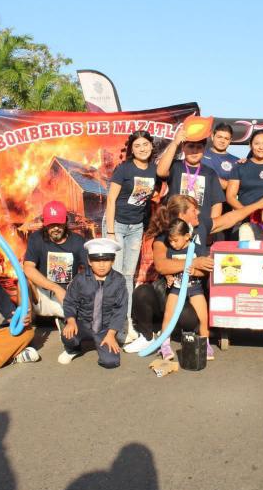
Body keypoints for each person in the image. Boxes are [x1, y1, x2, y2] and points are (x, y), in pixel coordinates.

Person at [124, 193, 263, 353]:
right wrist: (193, 262)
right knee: (141, 292)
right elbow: (162, 266)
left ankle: (175, 330)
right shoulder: (167, 235)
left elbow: (230, 218)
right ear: (182, 215)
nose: (198, 213)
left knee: (191, 320)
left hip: (192, 289)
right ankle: (147, 337)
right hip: (169, 289)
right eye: (194, 210)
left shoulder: (201, 225)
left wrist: (257, 205)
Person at [104, 130, 160, 341]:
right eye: (137, 146)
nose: (142, 149)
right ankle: (113, 326)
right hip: (116, 225)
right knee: (115, 276)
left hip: (136, 227)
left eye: (145, 144)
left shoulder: (155, 170)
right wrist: (110, 233)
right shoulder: (124, 169)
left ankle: (126, 324)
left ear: (151, 146)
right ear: (131, 149)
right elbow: (111, 200)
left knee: (128, 276)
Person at [58, 238, 127, 368]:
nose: (101, 265)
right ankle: (74, 349)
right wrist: (71, 321)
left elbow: (120, 309)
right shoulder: (80, 279)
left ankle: (104, 341)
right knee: (68, 336)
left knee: (110, 362)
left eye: (106, 260)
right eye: (96, 260)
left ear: (113, 260)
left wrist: (112, 334)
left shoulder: (119, 281)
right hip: (83, 323)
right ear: (89, 261)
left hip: (105, 328)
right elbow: (70, 302)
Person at [23, 200, 87, 326]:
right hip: (43, 293)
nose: (56, 228)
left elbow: (89, 270)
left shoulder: (78, 241)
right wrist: (55, 287)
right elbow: (28, 268)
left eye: (59, 224)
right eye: (52, 225)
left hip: (68, 295)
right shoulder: (36, 238)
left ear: (66, 221)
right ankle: (26, 322)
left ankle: (67, 321)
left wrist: (76, 283)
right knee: (23, 282)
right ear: (44, 223)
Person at [158, 218, 213, 360]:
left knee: (203, 317)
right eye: (170, 240)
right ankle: (164, 344)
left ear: (187, 236)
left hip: (195, 288)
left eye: (175, 240)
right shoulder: (170, 251)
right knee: (168, 316)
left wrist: (195, 272)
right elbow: (167, 268)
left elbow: (205, 271)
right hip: (176, 288)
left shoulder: (197, 249)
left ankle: (205, 344)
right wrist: (169, 276)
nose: (172, 243)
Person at [156, 127, 224, 222]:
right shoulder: (175, 166)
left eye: (199, 147)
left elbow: (217, 203)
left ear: (204, 149)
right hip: (175, 225)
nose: (194, 151)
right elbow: (161, 172)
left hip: (200, 225)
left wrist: (210, 227)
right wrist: (175, 143)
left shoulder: (210, 173)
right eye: (191, 146)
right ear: (183, 147)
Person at [226, 130, 263, 210]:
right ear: (250, 145)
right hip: (244, 218)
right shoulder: (239, 167)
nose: (261, 147)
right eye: (257, 143)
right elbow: (230, 197)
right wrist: (247, 213)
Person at [201, 123, 239, 190]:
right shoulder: (200, 155)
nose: (222, 141)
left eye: (226, 138)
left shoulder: (236, 162)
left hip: (223, 199)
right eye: (219, 137)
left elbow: (238, 188)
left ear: (230, 140)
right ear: (212, 136)